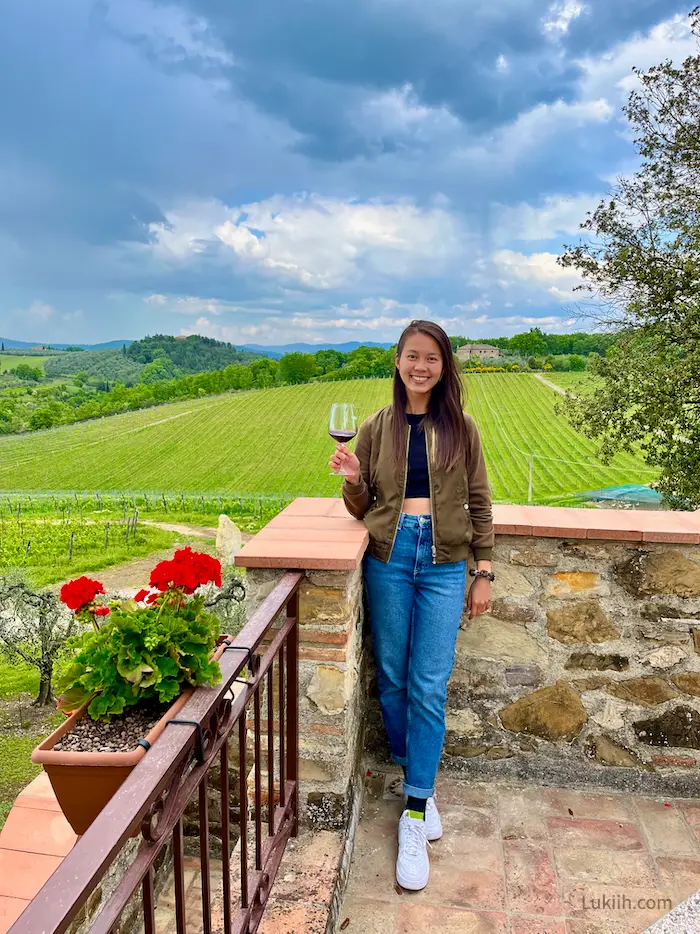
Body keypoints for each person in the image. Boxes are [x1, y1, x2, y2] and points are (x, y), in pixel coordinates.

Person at [329, 319, 494, 892]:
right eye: (411, 357)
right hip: (390, 556)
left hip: (446, 563)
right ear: (397, 362)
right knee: (394, 679)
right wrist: (352, 477)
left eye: (432, 358)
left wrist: (484, 571)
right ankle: (415, 775)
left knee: (428, 683)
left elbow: (479, 501)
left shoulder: (461, 428)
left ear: (444, 367)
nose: (421, 366)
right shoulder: (378, 426)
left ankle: (417, 808)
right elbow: (361, 507)